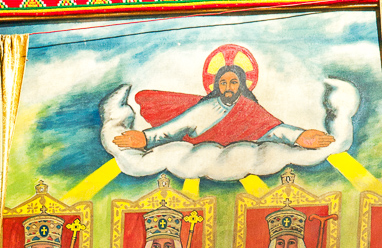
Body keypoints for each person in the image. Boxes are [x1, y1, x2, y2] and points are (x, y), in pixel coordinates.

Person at [114, 64, 335, 151]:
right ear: (217, 85)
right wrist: (144, 138)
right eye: (223, 83)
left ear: (241, 85)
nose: (228, 87)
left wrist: (301, 136)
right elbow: (173, 129)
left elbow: (274, 129)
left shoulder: (250, 109)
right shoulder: (206, 108)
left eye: (233, 82)